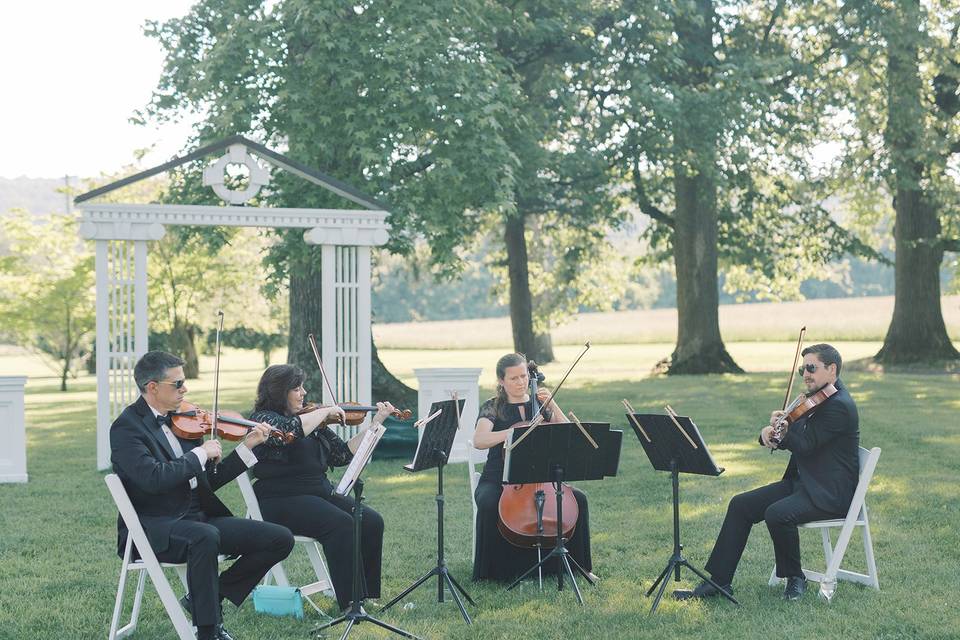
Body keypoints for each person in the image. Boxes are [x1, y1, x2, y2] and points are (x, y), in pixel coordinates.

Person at [110, 351, 295, 640]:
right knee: (204, 537)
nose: (185, 389)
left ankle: (204, 598)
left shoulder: (185, 420)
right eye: (178, 383)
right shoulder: (126, 429)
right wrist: (199, 454)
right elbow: (153, 478)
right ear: (152, 387)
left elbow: (208, 481)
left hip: (198, 516)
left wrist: (248, 446)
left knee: (279, 538)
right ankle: (208, 630)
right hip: (157, 525)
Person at [674, 343, 860, 602]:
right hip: (805, 483)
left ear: (832, 369)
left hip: (830, 494)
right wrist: (769, 434)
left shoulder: (839, 405)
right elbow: (796, 437)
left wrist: (785, 428)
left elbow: (805, 445)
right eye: (802, 369)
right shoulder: (816, 400)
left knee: (777, 514)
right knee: (741, 505)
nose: (805, 374)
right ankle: (718, 583)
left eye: (811, 368)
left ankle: (796, 578)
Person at [247, 364, 394, 612]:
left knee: (371, 521)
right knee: (341, 523)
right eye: (296, 388)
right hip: (280, 498)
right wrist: (322, 415)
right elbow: (290, 430)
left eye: (303, 387)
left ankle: (364, 594)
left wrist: (376, 422)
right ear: (278, 391)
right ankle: (350, 602)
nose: (303, 393)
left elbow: (342, 454)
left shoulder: (313, 420)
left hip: (318, 492)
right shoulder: (263, 419)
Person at [471, 353, 593, 582]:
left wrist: (553, 406)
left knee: (580, 499)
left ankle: (580, 567)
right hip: (501, 479)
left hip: (541, 477)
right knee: (488, 503)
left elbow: (567, 434)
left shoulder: (540, 404)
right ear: (501, 381)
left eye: (524, 376)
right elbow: (480, 439)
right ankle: (490, 573)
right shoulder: (493, 407)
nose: (521, 382)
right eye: (514, 378)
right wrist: (511, 433)